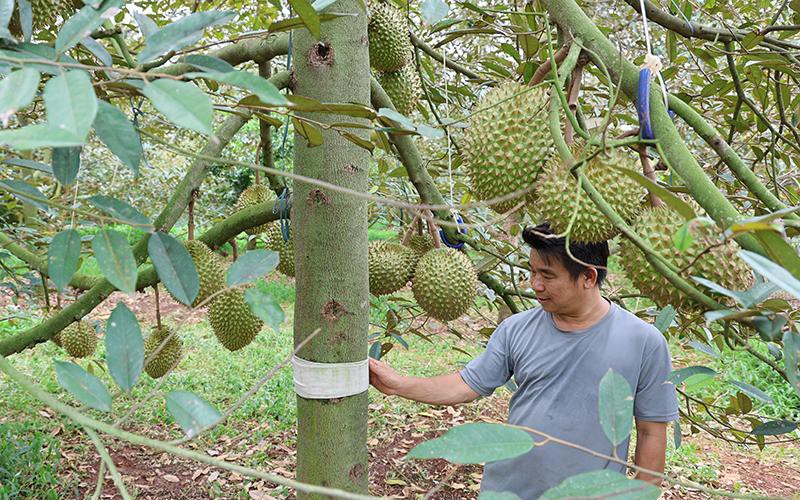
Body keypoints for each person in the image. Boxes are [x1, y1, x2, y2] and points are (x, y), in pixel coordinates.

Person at [368, 223, 679, 499]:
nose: (535, 284)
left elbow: (652, 432)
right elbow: (466, 385)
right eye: (531, 272)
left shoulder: (643, 342)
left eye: (547, 275)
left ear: (588, 276)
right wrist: (399, 384)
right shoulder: (516, 329)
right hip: (508, 491)